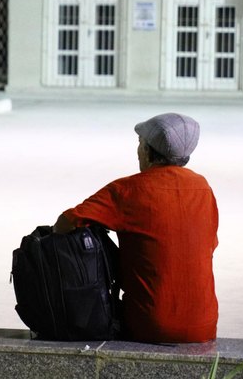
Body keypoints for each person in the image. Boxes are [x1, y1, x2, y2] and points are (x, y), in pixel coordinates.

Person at [53, 112, 218, 343]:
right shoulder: (203, 188)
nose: (138, 152)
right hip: (206, 326)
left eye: (140, 145)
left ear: (149, 152)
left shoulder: (128, 190)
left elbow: (65, 224)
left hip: (150, 326)